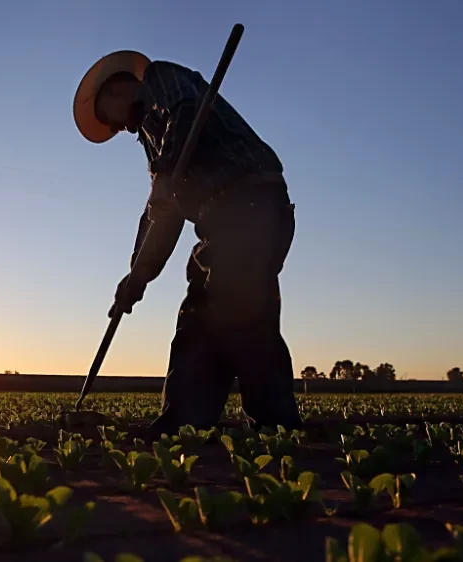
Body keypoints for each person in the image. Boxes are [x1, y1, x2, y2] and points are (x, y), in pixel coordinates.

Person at [72, 50, 303, 439]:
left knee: (242, 305)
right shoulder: (153, 142)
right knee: (198, 316)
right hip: (217, 224)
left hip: (253, 202)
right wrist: (137, 277)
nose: (120, 129)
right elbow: (163, 214)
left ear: (112, 95)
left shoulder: (163, 80)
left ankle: (276, 427)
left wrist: (164, 177)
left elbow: (187, 109)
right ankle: (183, 423)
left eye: (110, 120)